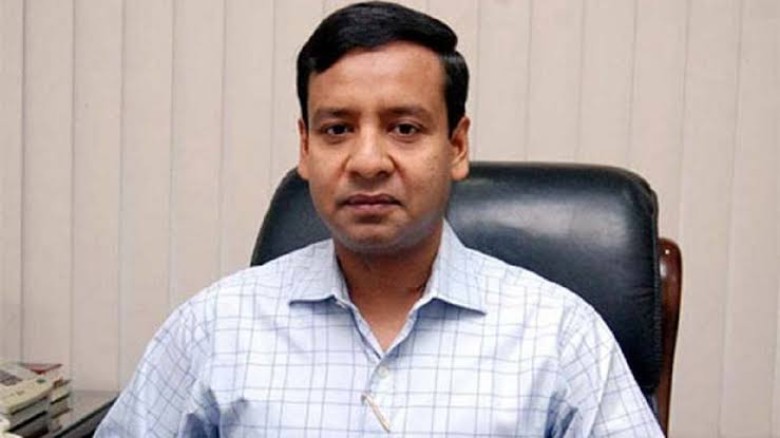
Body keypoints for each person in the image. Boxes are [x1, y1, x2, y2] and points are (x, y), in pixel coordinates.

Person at [96, 2, 663, 436]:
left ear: (457, 145)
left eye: (405, 128)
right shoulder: (215, 329)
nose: (367, 161)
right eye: (337, 129)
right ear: (305, 147)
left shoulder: (559, 337)